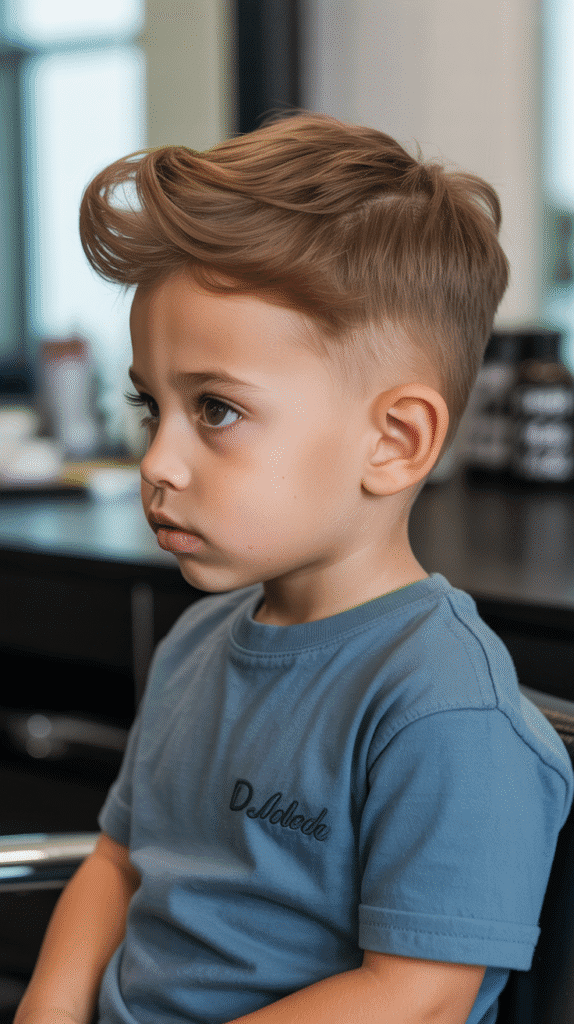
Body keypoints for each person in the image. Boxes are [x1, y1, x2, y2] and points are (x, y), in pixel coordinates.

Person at [15, 111, 573, 1024]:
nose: (157, 461)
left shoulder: (443, 711)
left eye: (218, 410)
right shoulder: (197, 643)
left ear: (394, 441)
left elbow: (418, 997)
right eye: (151, 406)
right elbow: (119, 861)